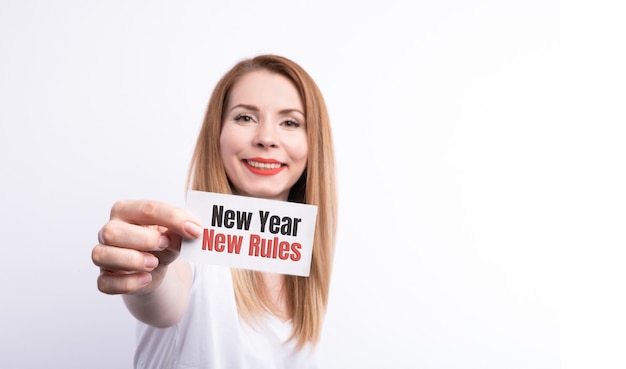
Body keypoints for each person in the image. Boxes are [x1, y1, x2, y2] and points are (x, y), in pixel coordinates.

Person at [91, 54, 337, 368]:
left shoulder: (309, 270)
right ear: (217, 134)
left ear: (312, 143)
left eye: (290, 122)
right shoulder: (186, 251)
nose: (266, 138)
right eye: (245, 117)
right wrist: (147, 273)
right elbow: (166, 292)